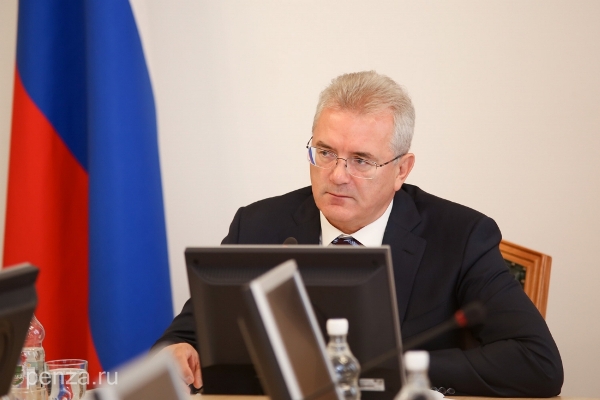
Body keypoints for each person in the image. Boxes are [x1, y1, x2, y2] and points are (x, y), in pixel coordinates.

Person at [154, 71, 563, 396]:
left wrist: (393, 369)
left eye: (361, 160)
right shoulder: (258, 225)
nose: (337, 175)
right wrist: (177, 351)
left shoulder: (460, 236)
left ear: (401, 170)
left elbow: (537, 363)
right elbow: (185, 337)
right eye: (325, 152)